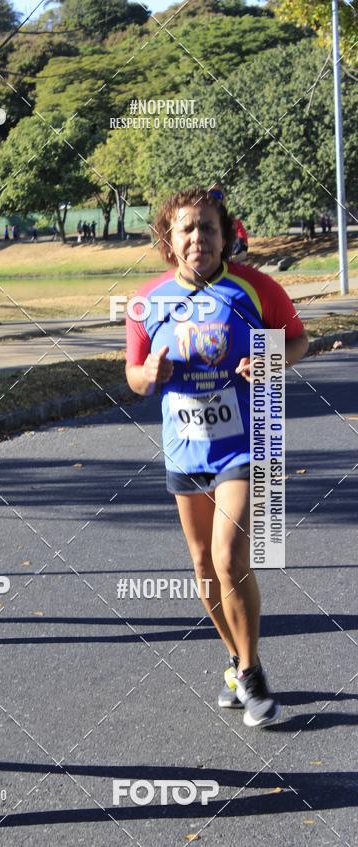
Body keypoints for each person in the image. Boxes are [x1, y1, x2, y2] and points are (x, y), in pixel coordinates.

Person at [126, 187, 308, 728]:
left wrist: (271, 360)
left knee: (231, 557)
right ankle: (234, 658)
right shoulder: (147, 302)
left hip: (245, 444)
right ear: (170, 240)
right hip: (184, 447)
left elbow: (296, 341)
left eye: (207, 227)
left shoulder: (255, 289)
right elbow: (133, 376)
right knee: (203, 564)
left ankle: (251, 673)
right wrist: (149, 377)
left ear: (225, 235)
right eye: (186, 229)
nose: (198, 237)